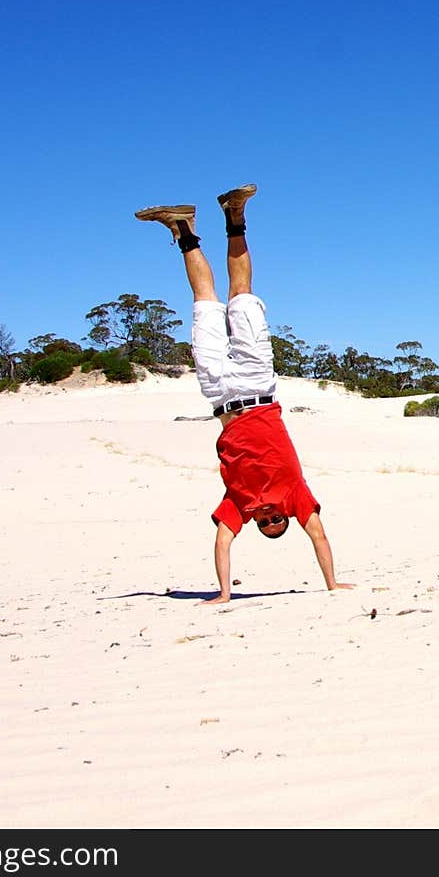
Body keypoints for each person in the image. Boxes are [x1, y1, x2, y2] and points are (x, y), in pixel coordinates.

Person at [135, 183, 354, 604]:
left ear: (256, 522)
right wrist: (331, 582)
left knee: (203, 301)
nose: (271, 517)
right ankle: (235, 215)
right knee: (242, 297)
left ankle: (183, 228)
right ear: (286, 516)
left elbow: (221, 543)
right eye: (278, 522)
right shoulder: (296, 496)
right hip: (257, 387)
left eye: (266, 523)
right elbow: (320, 536)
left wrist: (223, 593)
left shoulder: (239, 504)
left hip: (218, 393)